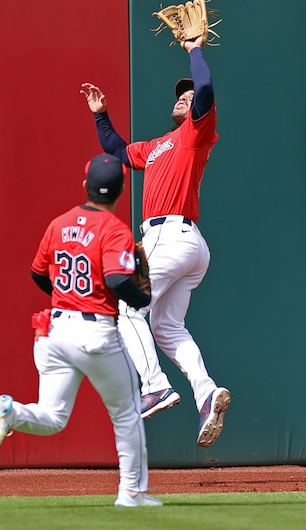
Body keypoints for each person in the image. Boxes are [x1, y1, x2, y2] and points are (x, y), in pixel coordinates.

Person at [0, 153, 162, 508]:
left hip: (55, 331)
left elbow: (37, 273)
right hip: (95, 335)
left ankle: (10, 412)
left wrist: (68, 298)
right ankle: (131, 494)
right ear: (121, 191)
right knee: (125, 413)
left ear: (85, 186)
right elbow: (116, 279)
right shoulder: (114, 230)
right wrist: (140, 298)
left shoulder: (59, 224)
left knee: (53, 416)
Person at [80, 35, 230, 448]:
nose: (184, 98)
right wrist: (101, 115)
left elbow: (206, 91)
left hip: (172, 236)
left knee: (126, 308)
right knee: (167, 326)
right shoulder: (159, 146)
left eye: (188, 95)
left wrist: (194, 49)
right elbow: (118, 150)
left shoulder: (196, 135)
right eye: (180, 95)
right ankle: (207, 393)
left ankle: (155, 385)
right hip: (184, 244)